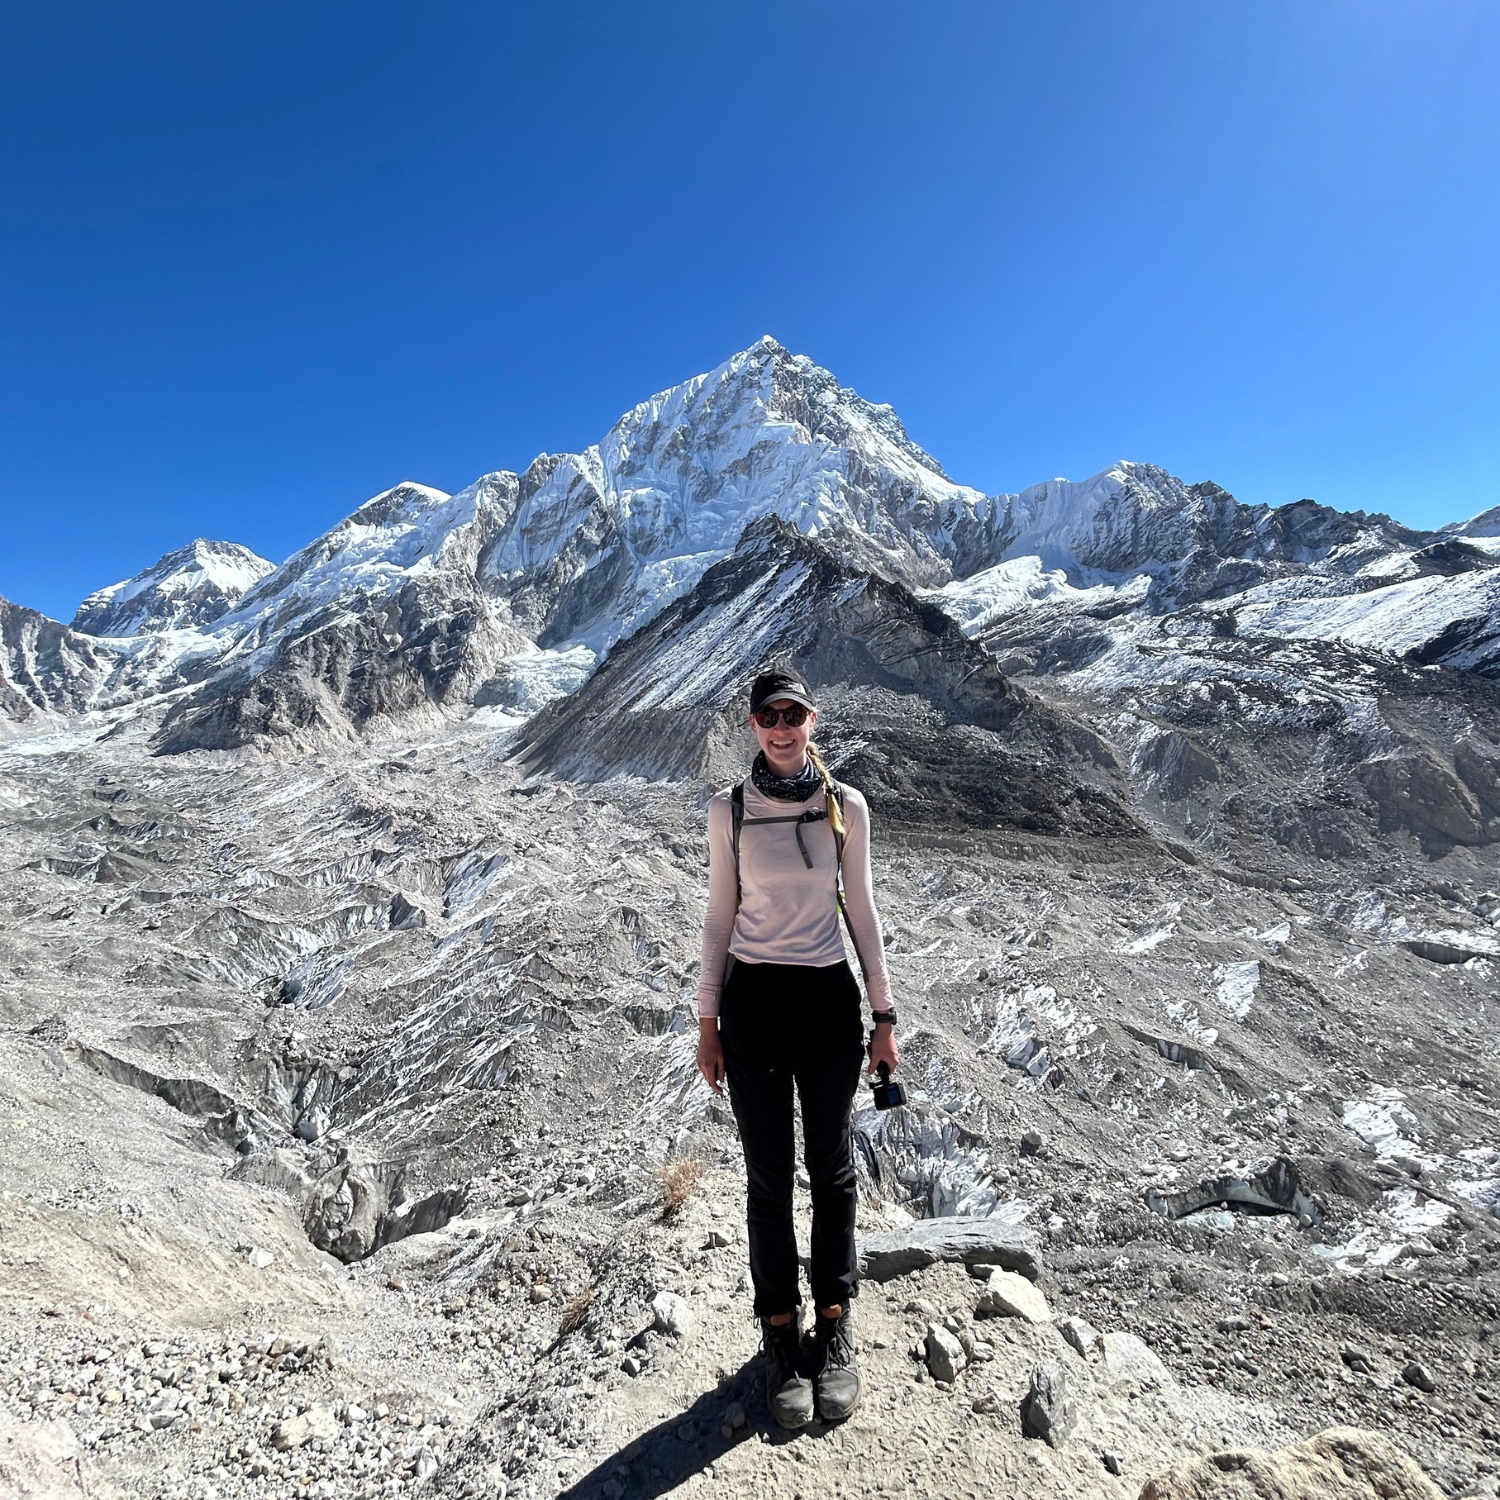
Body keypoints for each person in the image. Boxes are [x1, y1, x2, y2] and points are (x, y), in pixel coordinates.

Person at [695, 668, 900, 1429]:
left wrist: (884, 1014)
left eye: (794, 714)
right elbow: (719, 917)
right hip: (751, 1002)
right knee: (769, 1174)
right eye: (767, 715)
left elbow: (864, 912)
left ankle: (836, 1319)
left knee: (834, 1166)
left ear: (814, 720)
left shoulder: (846, 807)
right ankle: (780, 1329)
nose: (781, 727)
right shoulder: (729, 812)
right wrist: (708, 1022)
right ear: (751, 725)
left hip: (823, 1001)